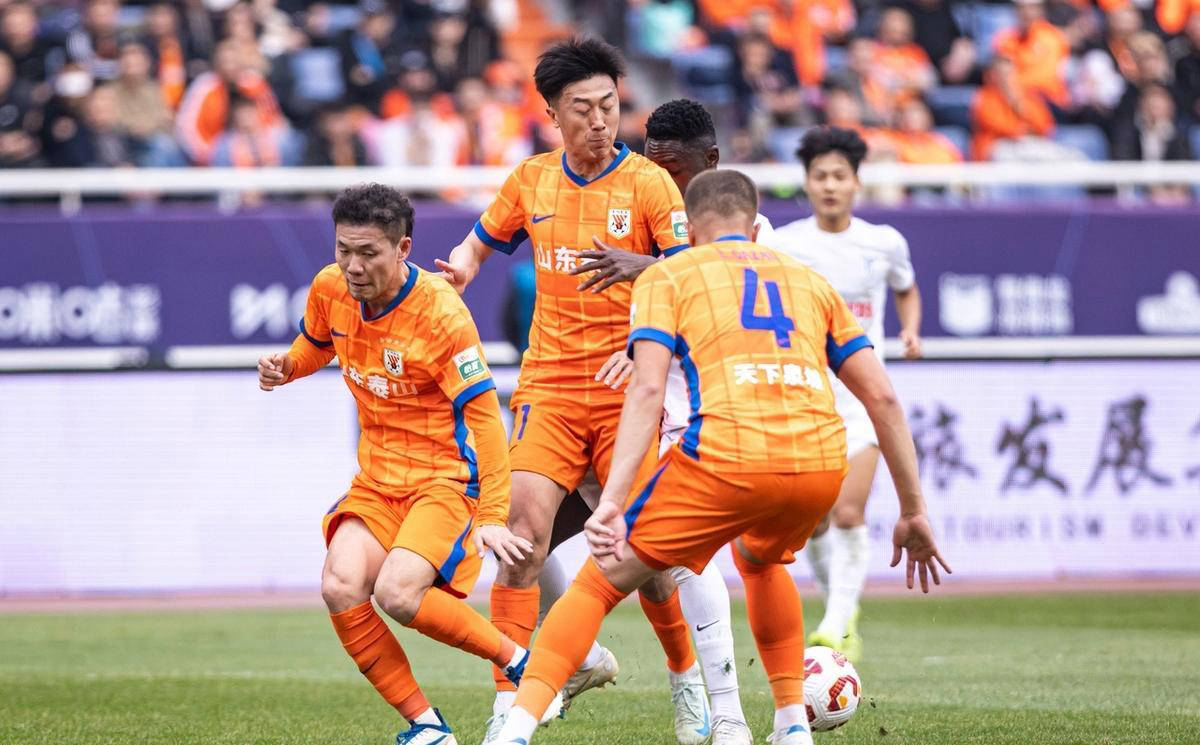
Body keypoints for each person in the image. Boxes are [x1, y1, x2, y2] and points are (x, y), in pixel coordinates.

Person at [489, 167, 950, 745]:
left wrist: (612, 501)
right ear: (755, 228)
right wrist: (913, 509)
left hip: (724, 456)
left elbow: (647, 390)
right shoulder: (810, 281)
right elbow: (882, 397)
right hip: (818, 461)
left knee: (598, 583)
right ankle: (790, 725)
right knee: (762, 561)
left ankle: (513, 731)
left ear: (688, 231)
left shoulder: (671, 273)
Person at [436, 37, 708, 745]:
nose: (599, 120)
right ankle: (510, 699)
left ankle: (685, 677)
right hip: (549, 388)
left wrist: (639, 294)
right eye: (582, 108)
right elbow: (478, 241)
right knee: (518, 540)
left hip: (628, 390)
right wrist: (462, 268)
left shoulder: (648, 184)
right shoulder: (531, 180)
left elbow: (690, 276)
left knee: (644, 559)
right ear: (552, 114)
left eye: (609, 105)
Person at [256, 184, 559, 745]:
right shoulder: (330, 287)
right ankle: (427, 726)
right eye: (344, 249)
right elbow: (316, 344)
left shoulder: (442, 314)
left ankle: (519, 661)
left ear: (403, 249)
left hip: (444, 480)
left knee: (398, 594)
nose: (352, 266)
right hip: (377, 480)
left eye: (368, 252)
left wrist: (493, 514)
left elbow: (486, 421)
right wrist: (287, 367)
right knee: (340, 584)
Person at [537, 97, 777, 745]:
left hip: (699, 417)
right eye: (652, 167)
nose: (661, 183)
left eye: (674, 171)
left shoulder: (751, 233)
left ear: (710, 163)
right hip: (613, 405)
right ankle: (579, 662)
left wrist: (646, 270)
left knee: (677, 562)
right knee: (524, 537)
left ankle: (719, 704)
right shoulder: (643, 212)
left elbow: (722, 290)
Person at [765, 127, 924, 663]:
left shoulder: (885, 242)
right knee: (813, 521)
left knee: (849, 511)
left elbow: (906, 287)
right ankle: (841, 607)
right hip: (807, 394)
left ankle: (834, 623)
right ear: (806, 183)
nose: (830, 186)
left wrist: (910, 331)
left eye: (839, 176)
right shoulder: (785, 245)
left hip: (861, 397)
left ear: (857, 182)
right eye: (820, 176)